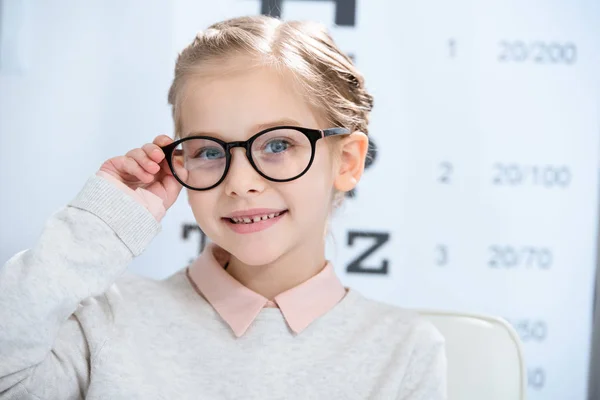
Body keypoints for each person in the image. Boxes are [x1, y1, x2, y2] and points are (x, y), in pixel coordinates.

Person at [0, 14, 446, 399]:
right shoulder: (105, 322)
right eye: (210, 151)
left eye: (277, 144)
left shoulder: (404, 350)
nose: (240, 183)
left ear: (346, 161)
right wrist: (102, 222)